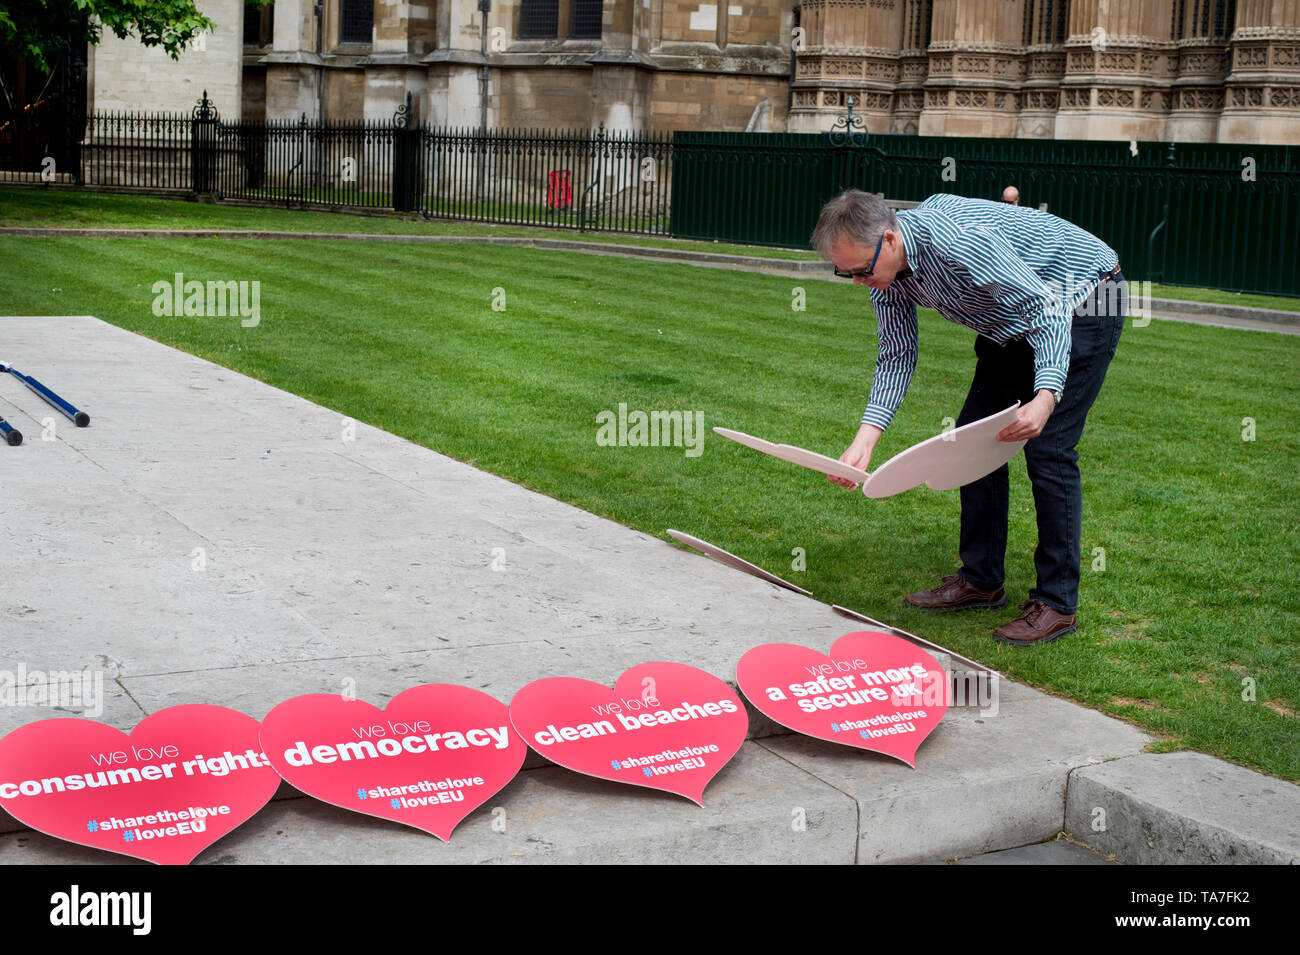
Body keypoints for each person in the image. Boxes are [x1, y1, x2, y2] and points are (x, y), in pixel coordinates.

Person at [812, 190, 1125, 646]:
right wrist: (866, 438)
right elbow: (897, 353)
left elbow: (1046, 307)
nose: (858, 281)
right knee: (972, 440)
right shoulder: (886, 273)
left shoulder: (956, 242)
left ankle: (1057, 604)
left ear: (890, 238)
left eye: (861, 270)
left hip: (1083, 296)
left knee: (1049, 447)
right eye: (846, 274)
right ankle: (981, 581)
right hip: (1010, 319)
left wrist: (1045, 395)